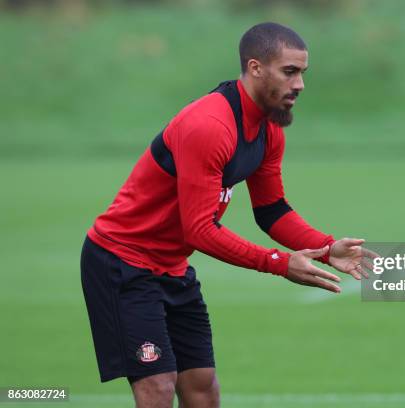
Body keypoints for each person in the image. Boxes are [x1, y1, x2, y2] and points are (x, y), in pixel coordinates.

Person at [80, 22, 375, 408]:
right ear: (255, 68)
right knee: (157, 384)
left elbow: (272, 210)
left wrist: (324, 246)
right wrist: (279, 263)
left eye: (302, 73)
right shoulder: (209, 125)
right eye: (290, 72)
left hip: (170, 267)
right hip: (122, 263)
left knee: (202, 387)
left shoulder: (268, 130)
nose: (300, 84)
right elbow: (200, 230)